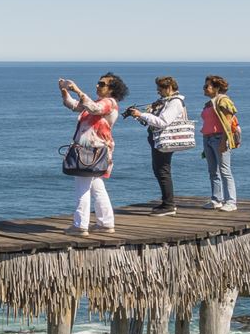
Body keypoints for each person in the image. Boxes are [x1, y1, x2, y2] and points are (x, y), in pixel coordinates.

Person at [58, 73, 129, 235]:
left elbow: (94, 109)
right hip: (94, 152)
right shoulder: (97, 102)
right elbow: (75, 105)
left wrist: (77, 90)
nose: (97, 86)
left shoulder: (109, 103)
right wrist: (64, 91)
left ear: (112, 89)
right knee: (97, 188)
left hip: (91, 151)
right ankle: (106, 223)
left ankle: (80, 225)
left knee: (82, 187)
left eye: (102, 84)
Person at [123, 76, 186, 216]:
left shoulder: (174, 102)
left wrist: (142, 114)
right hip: (158, 140)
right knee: (159, 170)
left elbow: (163, 122)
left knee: (162, 171)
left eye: (160, 88)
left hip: (165, 141)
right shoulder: (166, 101)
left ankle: (169, 205)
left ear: (169, 88)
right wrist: (139, 116)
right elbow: (154, 121)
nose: (158, 91)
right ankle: (167, 202)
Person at [200, 75, 240, 211]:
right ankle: (216, 199)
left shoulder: (223, 101)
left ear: (216, 88)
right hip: (208, 138)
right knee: (213, 171)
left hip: (219, 138)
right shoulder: (210, 103)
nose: (204, 89)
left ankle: (231, 201)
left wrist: (224, 141)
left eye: (207, 86)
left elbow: (228, 123)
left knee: (224, 170)